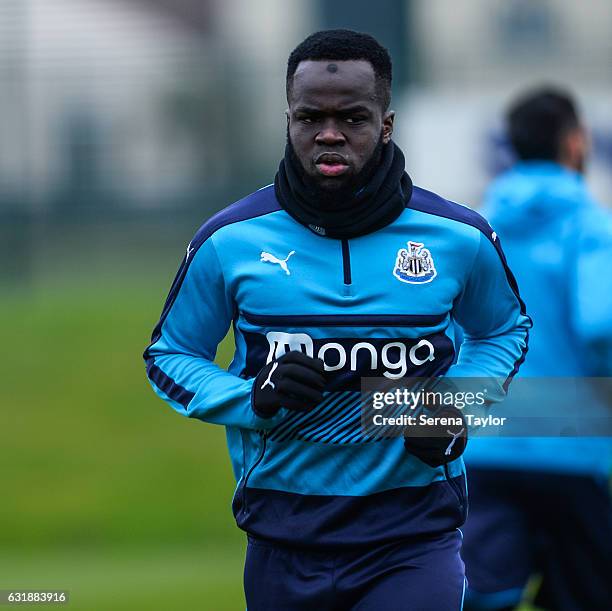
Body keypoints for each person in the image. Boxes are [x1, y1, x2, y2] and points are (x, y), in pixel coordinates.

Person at [143, 30, 530, 610]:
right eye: (309, 118)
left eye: (352, 117)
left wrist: (453, 405)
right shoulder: (229, 240)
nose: (329, 133)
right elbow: (170, 356)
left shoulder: (459, 237)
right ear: (289, 120)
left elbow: (504, 329)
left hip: (414, 538)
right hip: (282, 539)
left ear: (386, 124)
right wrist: (253, 397)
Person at [462, 88, 612, 611]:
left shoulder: (471, 226)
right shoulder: (592, 225)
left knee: (483, 593)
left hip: (479, 439)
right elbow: (601, 325)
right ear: (574, 142)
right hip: (572, 441)